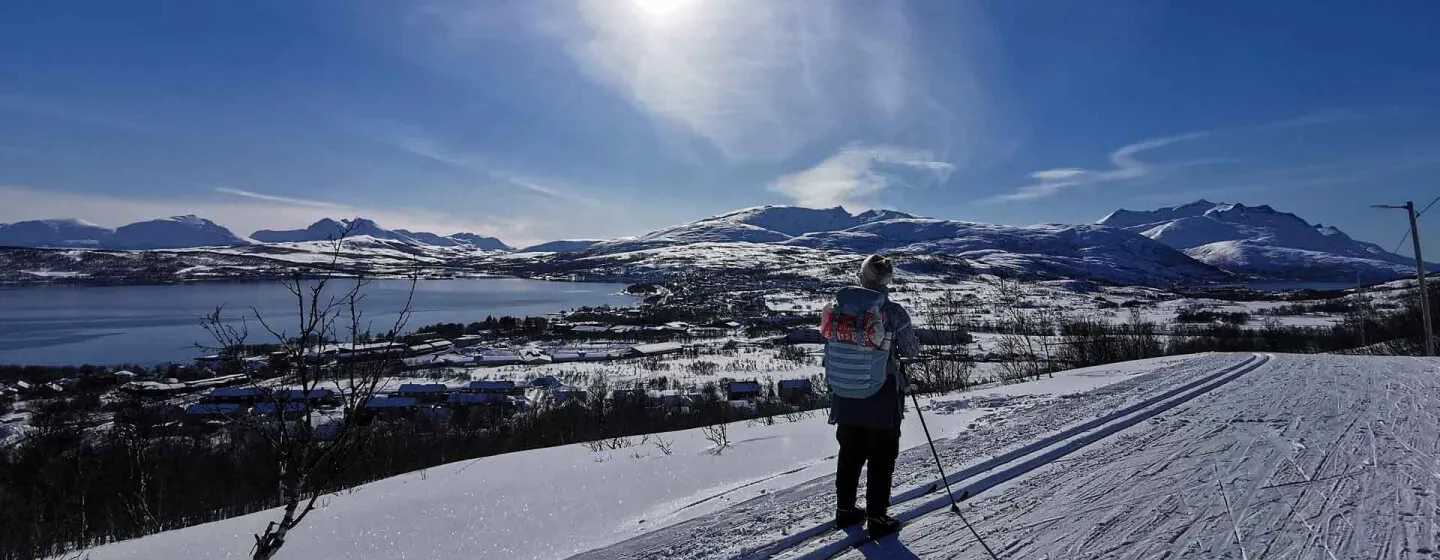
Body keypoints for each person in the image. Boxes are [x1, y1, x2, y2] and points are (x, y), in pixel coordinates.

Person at [827, 254, 920, 540]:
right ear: (888, 280)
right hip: (881, 394)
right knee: (881, 456)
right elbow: (911, 350)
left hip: (844, 392)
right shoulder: (893, 312)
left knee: (850, 453)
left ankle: (845, 512)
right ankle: (877, 518)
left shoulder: (840, 307)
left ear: (861, 276)